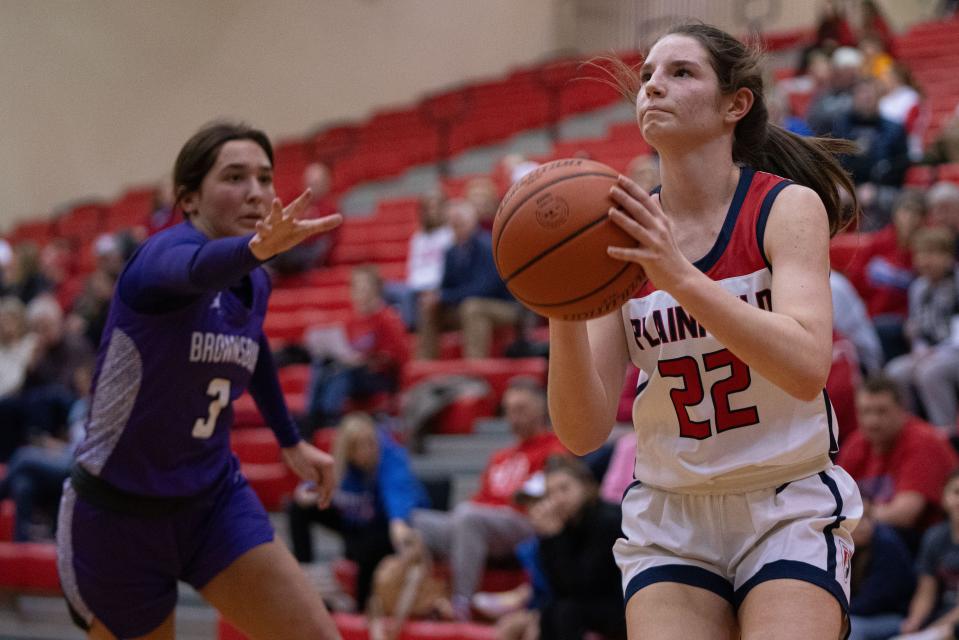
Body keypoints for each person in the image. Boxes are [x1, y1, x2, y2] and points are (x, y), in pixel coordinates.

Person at [547, 24, 864, 639]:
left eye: (680, 73)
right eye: (646, 76)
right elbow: (583, 432)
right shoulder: (617, 236)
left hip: (785, 502)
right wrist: (561, 304)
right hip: (672, 513)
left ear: (734, 105)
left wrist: (676, 273)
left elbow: (805, 367)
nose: (653, 88)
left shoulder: (785, 207)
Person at [55, 121, 344, 640]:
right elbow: (192, 270)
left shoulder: (253, 278)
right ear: (188, 200)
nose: (255, 192)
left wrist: (290, 440)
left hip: (212, 502)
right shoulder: (160, 257)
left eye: (264, 177)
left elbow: (250, 346)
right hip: (120, 515)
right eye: (235, 177)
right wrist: (254, 251)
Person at [411, 377, 567, 620]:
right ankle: (420, 598)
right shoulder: (500, 456)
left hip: (524, 523)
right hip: (483, 524)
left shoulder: (555, 448)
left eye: (521, 409)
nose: (514, 417)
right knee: (415, 522)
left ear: (541, 409)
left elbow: (537, 498)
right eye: (509, 411)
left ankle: (460, 604)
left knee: (467, 517)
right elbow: (480, 499)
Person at [286, 412, 429, 612]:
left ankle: (361, 610)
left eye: (369, 444)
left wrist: (398, 521)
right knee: (297, 508)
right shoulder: (340, 464)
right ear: (347, 449)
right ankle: (306, 571)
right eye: (358, 446)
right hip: (354, 523)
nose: (366, 451)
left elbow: (396, 491)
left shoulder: (391, 456)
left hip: (385, 526)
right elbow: (316, 484)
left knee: (368, 546)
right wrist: (306, 492)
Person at [838, 376, 958, 549]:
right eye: (865, 412)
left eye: (881, 411)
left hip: (928, 545)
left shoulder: (922, 441)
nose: (872, 421)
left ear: (903, 410)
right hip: (883, 536)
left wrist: (862, 513)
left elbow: (904, 515)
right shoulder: (856, 443)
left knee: (878, 536)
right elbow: (834, 502)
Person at [532, 455, 626, 640]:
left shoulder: (608, 520)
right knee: (549, 612)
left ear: (585, 486)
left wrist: (555, 538)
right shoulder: (565, 524)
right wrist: (549, 538)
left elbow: (585, 585)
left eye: (564, 489)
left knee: (565, 613)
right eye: (550, 493)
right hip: (591, 602)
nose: (557, 499)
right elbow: (557, 587)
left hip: (623, 604)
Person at [304, 265, 409, 429]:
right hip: (353, 368)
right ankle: (312, 417)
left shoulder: (388, 318)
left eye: (364, 287)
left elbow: (398, 357)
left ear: (376, 289)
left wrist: (368, 359)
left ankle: (328, 417)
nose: (360, 292)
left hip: (376, 375)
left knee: (343, 372)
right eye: (356, 287)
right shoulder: (350, 320)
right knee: (322, 364)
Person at [884, 228, 959, 431]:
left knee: (931, 372)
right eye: (922, 254)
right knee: (895, 371)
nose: (926, 260)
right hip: (930, 351)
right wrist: (919, 349)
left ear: (949, 257)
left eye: (933, 254)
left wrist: (936, 352)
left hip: (953, 351)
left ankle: (946, 432)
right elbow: (917, 328)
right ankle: (911, 430)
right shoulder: (918, 288)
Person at [896, 470, 959, 639]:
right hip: (938, 622)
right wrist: (914, 622)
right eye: (956, 492)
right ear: (944, 497)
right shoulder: (935, 537)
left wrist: (931, 632)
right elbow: (926, 590)